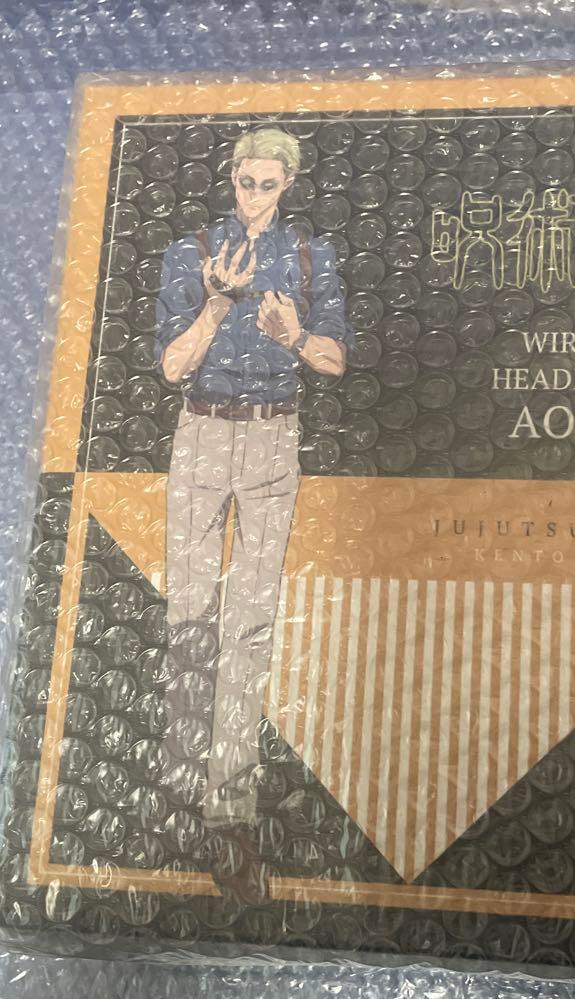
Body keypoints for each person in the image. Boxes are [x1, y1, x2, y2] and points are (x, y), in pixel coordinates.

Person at [154, 126, 351, 825]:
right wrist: (215, 304)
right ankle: (179, 785)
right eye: (246, 183)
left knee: (252, 617)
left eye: (268, 185)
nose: (255, 197)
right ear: (231, 178)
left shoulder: (310, 255)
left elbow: (335, 361)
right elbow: (171, 368)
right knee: (189, 608)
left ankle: (229, 802)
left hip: (273, 434)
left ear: (287, 184)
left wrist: (292, 338)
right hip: (202, 430)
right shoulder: (191, 251)